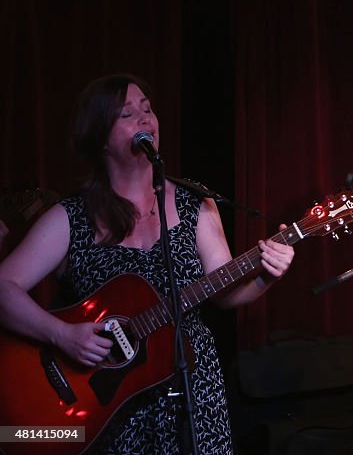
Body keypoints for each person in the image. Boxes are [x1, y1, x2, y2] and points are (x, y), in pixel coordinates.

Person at [0, 74, 294, 454]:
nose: (145, 119)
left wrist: (266, 276)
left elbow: (224, 293)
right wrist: (62, 335)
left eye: (148, 109)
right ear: (100, 136)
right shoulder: (69, 217)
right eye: (127, 113)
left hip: (193, 396)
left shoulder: (195, 205)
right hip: (100, 408)